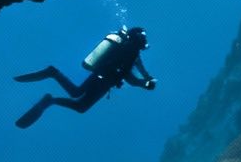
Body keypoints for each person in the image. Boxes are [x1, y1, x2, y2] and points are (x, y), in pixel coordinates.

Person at [14, 26, 155, 128]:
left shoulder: (129, 51)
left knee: (76, 94)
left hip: (99, 77)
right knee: (80, 106)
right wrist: (145, 84)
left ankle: (52, 85)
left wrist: (144, 81)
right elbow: (130, 78)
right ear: (139, 41)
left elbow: (132, 74)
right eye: (143, 41)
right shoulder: (130, 53)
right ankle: (52, 85)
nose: (144, 43)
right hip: (103, 81)